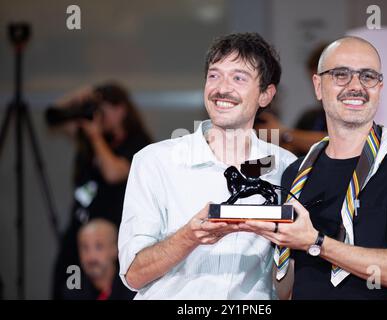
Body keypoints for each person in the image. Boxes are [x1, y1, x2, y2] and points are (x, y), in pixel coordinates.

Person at [241, 36, 387, 299]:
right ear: (318, 86)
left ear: (380, 87)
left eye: (368, 76)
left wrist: (316, 242)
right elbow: (285, 286)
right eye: (340, 74)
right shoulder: (296, 174)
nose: (355, 85)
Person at [118, 33, 296, 299]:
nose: (221, 88)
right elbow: (133, 274)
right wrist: (190, 236)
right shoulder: (155, 162)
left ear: (265, 95)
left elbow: (286, 283)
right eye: (214, 75)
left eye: (238, 78)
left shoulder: (285, 168)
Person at [52, 82, 152, 299]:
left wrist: (95, 136)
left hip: (110, 238)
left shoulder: (137, 143)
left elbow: (113, 173)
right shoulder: (89, 138)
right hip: (81, 232)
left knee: (110, 291)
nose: (98, 117)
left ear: (120, 110)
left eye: (102, 110)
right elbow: (53, 117)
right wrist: (80, 96)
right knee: (70, 288)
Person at [255, 44, 328, 156]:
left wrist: (284, 133)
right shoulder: (310, 118)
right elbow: (288, 152)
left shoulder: (349, 116)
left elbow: (336, 144)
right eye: (313, 82)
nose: (316, 88)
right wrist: (270, 137)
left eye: (321, 83)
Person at [62, 219, 135, 300]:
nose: (91, 256)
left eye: (99, 247)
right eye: (85, 248)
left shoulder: (134, 287)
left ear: (115, 249)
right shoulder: (74, 292)